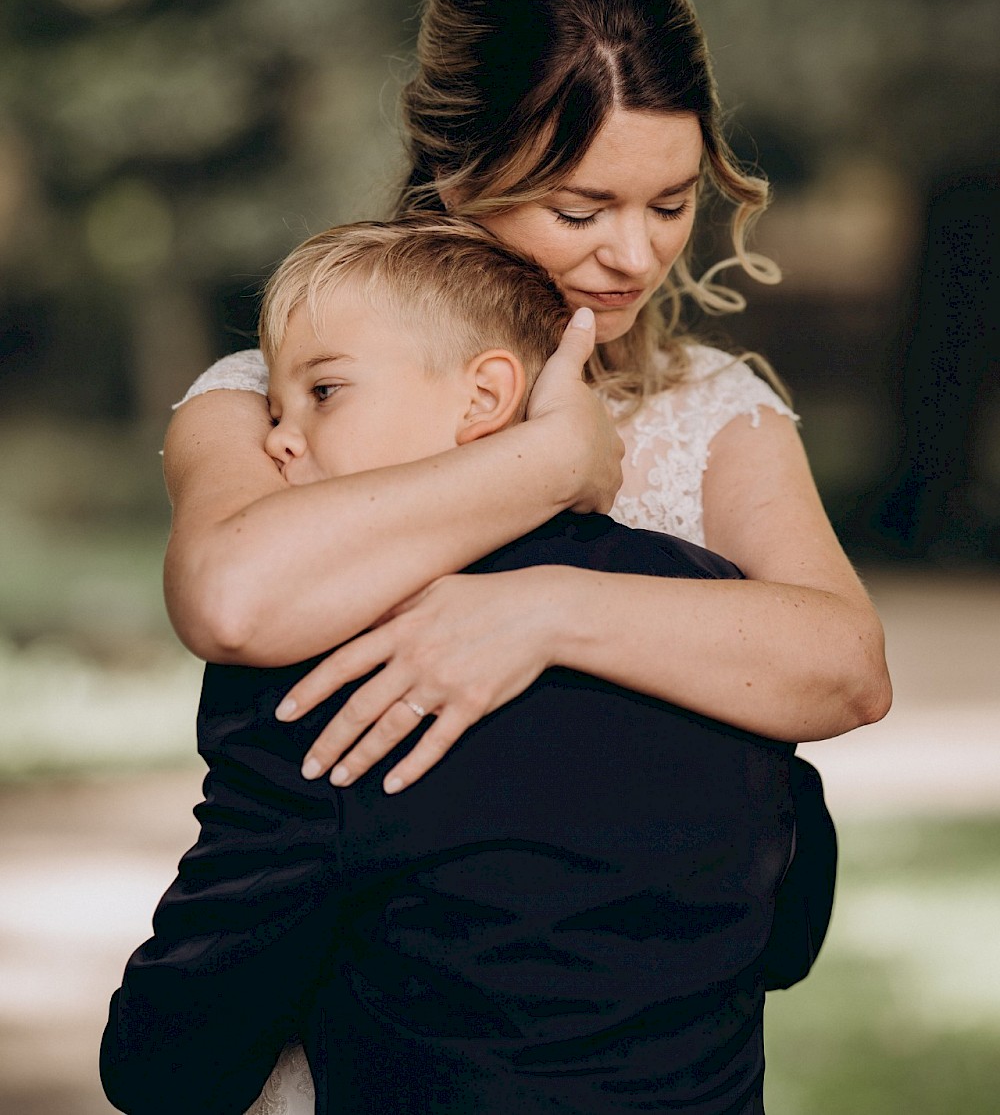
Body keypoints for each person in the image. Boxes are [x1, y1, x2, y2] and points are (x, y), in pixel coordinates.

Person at [159, 0, 890, 1107]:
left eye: (668, 203)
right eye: (580, 206)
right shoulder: (278, 399)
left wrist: (546, 611)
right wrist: (552, 461)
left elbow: (845, 668)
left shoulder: (711, 408)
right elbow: (234, 598)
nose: (633, 253)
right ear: (460, 173)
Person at [102, 216, 824, 1115]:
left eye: (324, 394)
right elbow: (788, 930)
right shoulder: (717, 615)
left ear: (486, 399)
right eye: (277, 411)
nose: (279, 441)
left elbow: (170, 1062)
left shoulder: (328, 664)